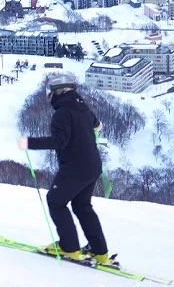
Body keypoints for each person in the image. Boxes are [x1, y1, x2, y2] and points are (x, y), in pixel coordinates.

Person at [18, 72, 112, 265]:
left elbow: (59, 141)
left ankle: (69, 248)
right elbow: (99, 126)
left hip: (75, 167)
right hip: (92, 165)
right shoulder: (82, 107)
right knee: (82, 206)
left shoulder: (62, 113)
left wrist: (29, 143)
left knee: (55, 201)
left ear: (55, 94)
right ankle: (99, 252)